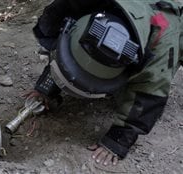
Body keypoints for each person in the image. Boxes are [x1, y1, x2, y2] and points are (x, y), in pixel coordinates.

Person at [23, 0, 183, 166]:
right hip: (133, 9)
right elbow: (68, 51)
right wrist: (46, 88)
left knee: (129, 96)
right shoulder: (89, 6)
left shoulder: (161, 47)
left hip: (165, 22)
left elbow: (149, 95)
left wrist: (118, 140)